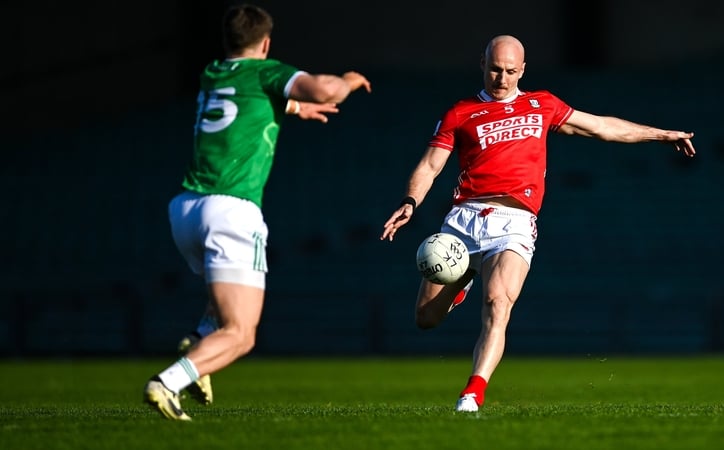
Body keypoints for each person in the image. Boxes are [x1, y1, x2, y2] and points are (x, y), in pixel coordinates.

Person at [380, 35, 695, 413]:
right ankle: (460, 283)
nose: (502, 78)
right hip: (462, 223)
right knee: (426, 319)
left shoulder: (541, 104)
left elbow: (600, 127)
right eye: (496, 69)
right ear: (482, 63)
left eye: (511, 71)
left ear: (523, 70)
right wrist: (410, 202)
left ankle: (472, 393)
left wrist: (659, 135)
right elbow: (430, 166)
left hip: (513, 223)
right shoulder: (460, 113)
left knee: (498, 304)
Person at [144, 3, 371, 421]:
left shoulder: (212, 73)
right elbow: (323, 89)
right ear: (265, 43)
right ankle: (169, 382)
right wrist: (349, 82)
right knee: (242, 333)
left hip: (186, 209)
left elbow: (240, 104)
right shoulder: (265, 71)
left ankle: (198, 336)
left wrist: (293, 109)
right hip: (231, 210)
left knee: (226, 303)